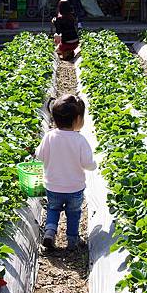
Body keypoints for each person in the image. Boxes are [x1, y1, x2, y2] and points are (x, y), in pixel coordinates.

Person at [35, 94, 97, 250]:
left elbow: (39, 157)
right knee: (74, 213)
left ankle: (49, 232)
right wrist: (94, 165)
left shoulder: (49, 137)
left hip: (53, 186)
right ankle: (72, 240)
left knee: (53, 209)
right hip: (75, 188)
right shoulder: (80, 141)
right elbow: (88, 164)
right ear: (77, 119)